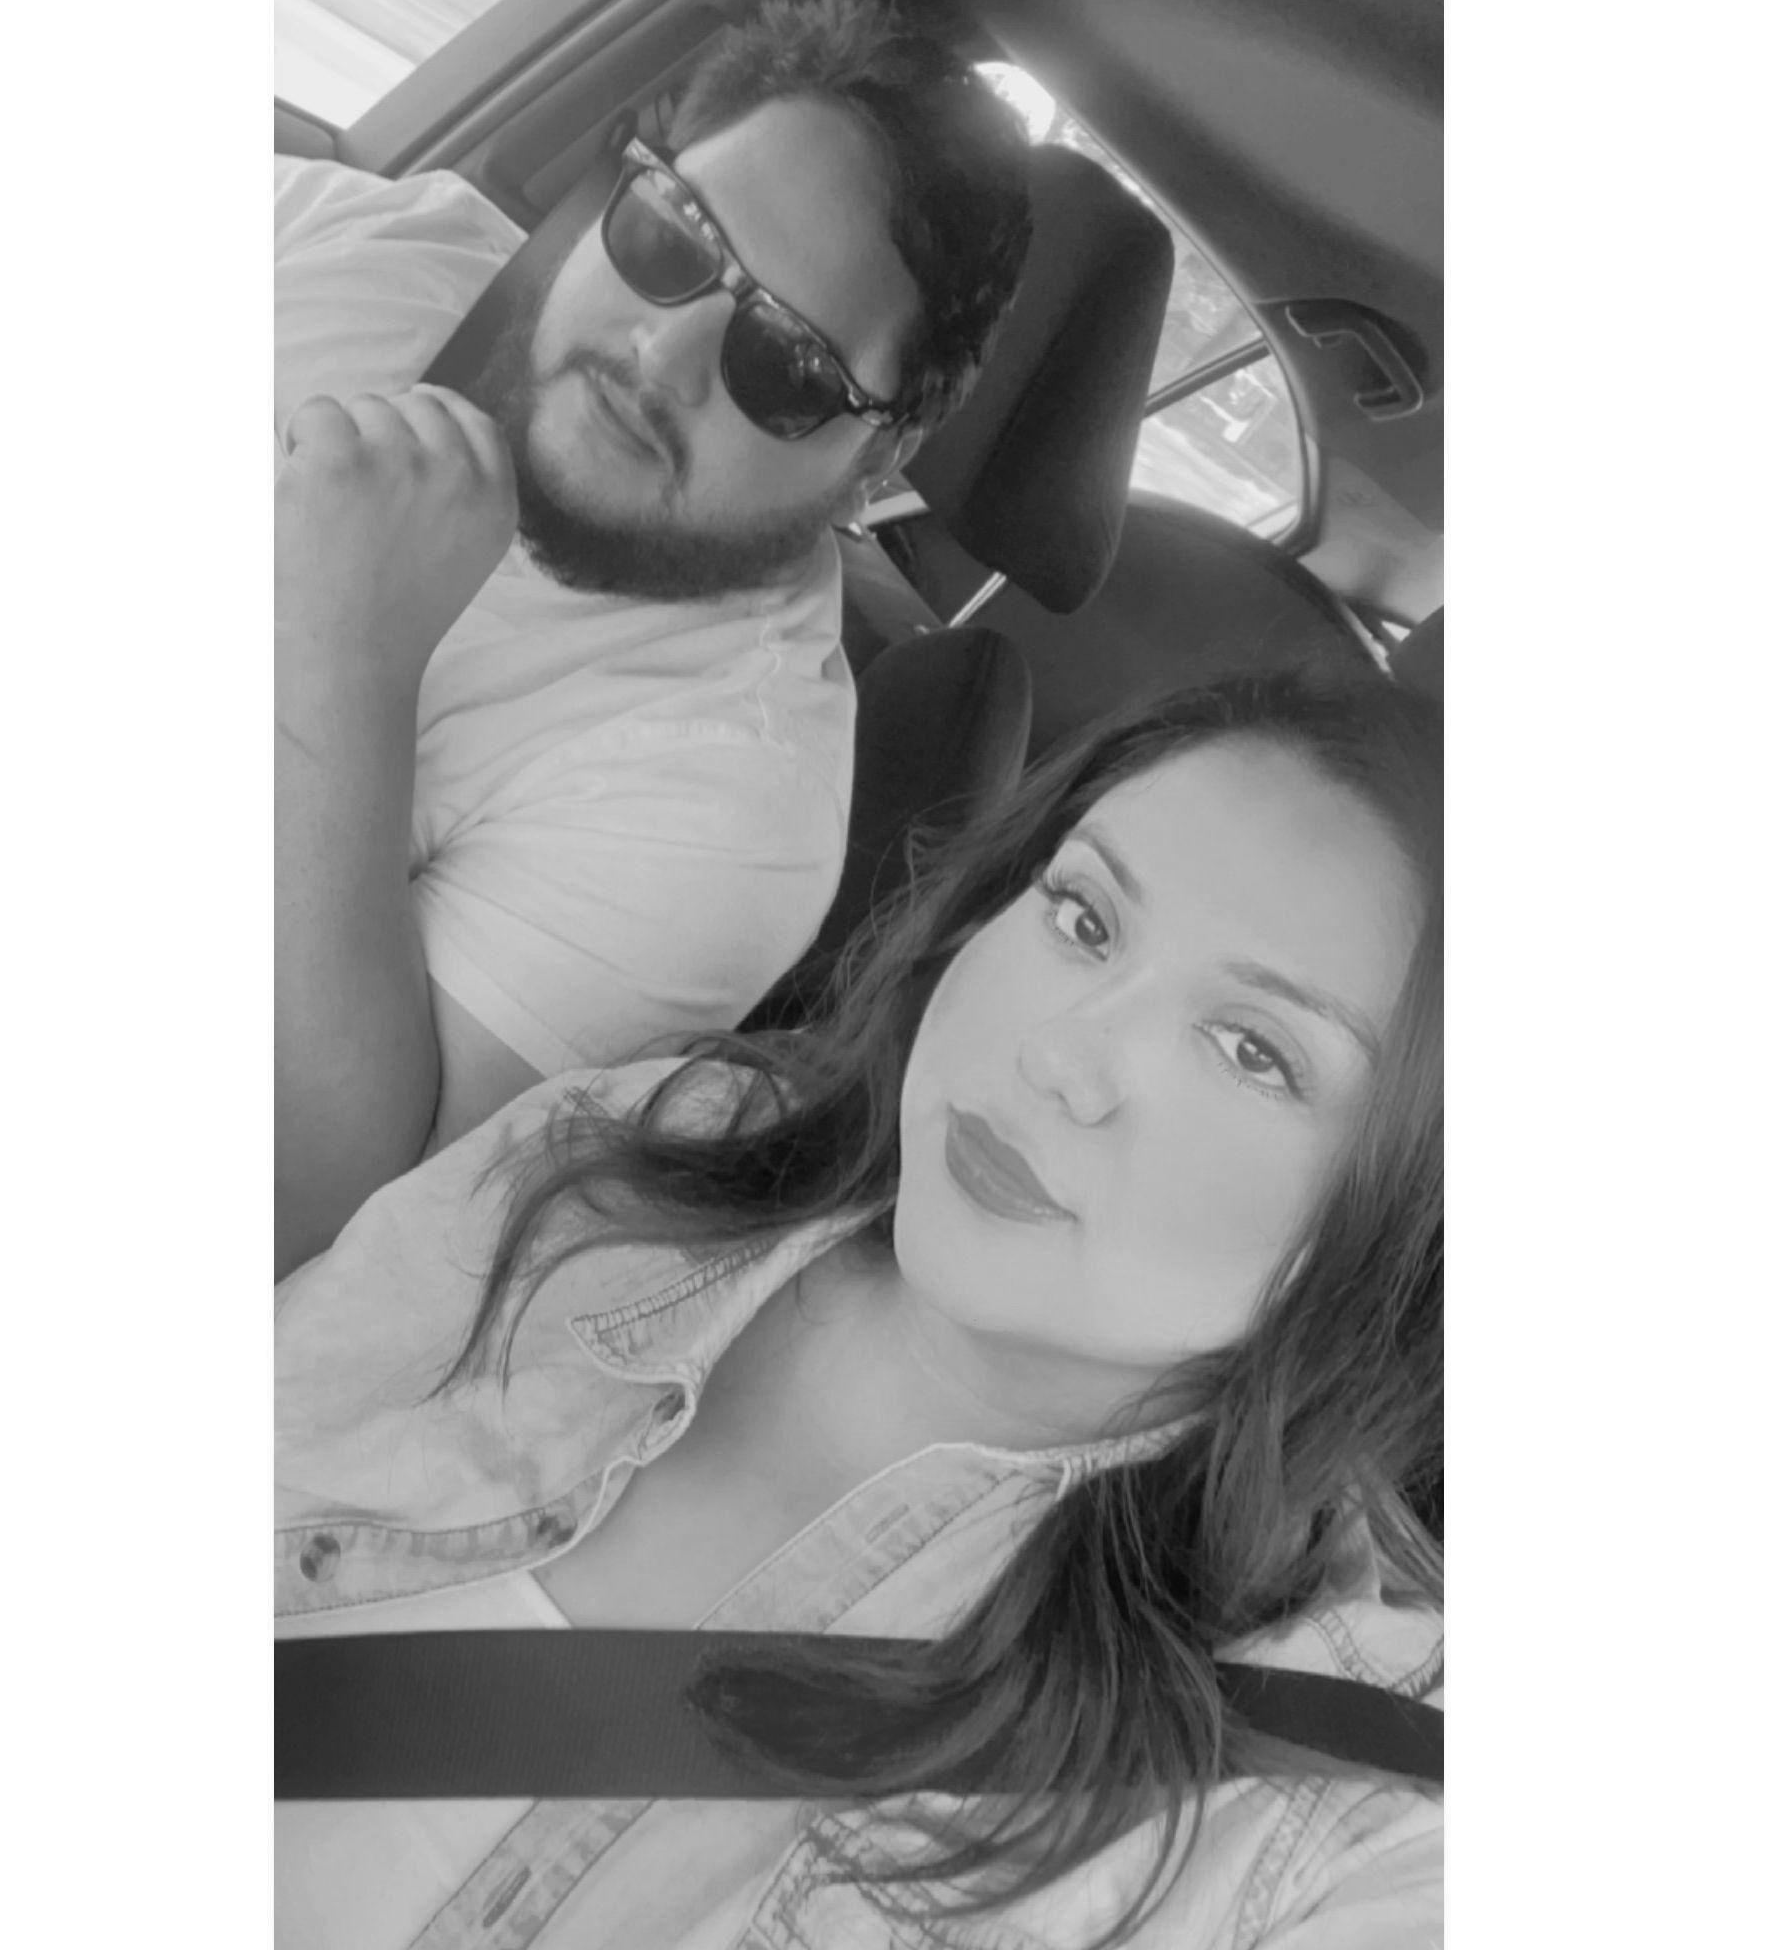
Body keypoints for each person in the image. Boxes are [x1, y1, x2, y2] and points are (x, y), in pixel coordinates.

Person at [277, 671, 1445, 1949]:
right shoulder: (647, 1154)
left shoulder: (1319, 1792)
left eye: (1255, 1052)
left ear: (1408, 1222)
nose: (1057, 1055)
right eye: (1083, 917)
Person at [274, 0, 1035, 1270]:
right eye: (674, 237)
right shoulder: (379, 247)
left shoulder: (730, 802)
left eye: (787, 366)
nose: (661, 359)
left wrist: (339, 657)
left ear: (877, 458)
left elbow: (307, 1210)